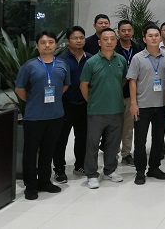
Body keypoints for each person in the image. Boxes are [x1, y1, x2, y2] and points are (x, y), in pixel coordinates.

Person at [15, 31, 70, 200]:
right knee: (31, 152)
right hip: (34, 117)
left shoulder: (62, 65)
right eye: (43, 42)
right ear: (37, 46)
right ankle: (31, 186)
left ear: (56, 45)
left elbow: (65, 86)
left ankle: (45, 181)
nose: (47, 45)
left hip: (56, 116)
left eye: (51, 42)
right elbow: (19, 89)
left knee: (48, 151)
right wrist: (34, 100)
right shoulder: (29, 66)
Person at [80, 28, 127, 189]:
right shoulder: (91, 62)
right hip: (96, 111)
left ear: (116, 41)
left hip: (116, 109)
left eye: (112, 39)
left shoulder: (121, 60)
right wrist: (93, 101)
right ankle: (92, 174)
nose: (109, 42)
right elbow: (83, 85)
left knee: (113, 143)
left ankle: (110, 170)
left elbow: (123, 80)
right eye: (105, 39)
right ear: (99, 42)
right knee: (92, 144)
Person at [127, 24, 165, 185]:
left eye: (156, 35)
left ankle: (154, 167)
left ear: (160, 37)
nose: (154, 38)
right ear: (144, 39)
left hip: (161, 106)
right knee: (140, 141)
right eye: (150, 35)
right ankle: (140, 171)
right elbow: (132, 81)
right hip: (142, 106)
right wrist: (133, 103)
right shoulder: (137, 58)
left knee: (158, 139)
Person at [53, 26, 91, 184]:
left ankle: (80, 165)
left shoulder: (90, 58)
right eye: (75, 38)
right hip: (65, 104)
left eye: (81, 37)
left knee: (82, 137)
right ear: (68, 41)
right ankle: (59, 169)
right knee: (61, 138)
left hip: (85, 104)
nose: (79, 40)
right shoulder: (60, 59)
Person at [115, 19, 141, 166]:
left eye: (129, 30)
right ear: (118, 32)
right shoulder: (113, 48)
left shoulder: (138, 48)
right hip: (115, 93)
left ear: (133, 31)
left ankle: (126, 154)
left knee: (128, 126)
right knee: (113, 126)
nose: (126, 33)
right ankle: (112, 152)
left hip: (132, 94)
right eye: (123, 30)